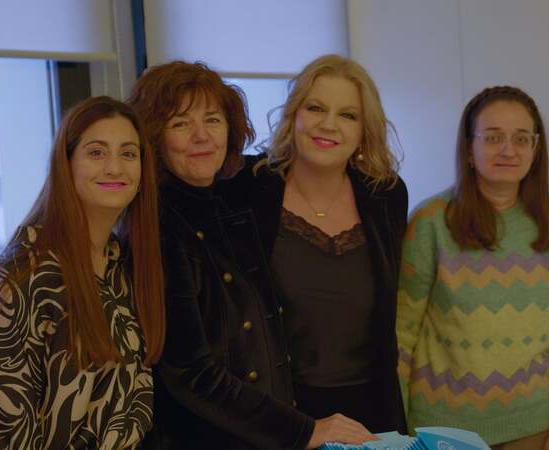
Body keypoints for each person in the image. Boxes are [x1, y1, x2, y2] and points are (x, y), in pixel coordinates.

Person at [129, 61, 376, 450]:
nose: (201, 136)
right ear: (153, 136)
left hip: (264, 435)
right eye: (180, 123)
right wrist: (303, 430)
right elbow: (191, 372)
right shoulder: (155, 227)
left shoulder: (232, 206)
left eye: (212, 120)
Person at [397, 86, 549, 449]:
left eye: (521, 139)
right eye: (493, 137)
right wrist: (397, 430)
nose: (508, 150)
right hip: (442, 433)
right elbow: (400, 336)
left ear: (535, 150)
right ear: (469, 149)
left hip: (534, 429)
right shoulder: (430, 222)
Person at [0, 96, 165, 449]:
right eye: (96, 153)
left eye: (129, 154)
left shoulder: (118, 265)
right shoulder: (25, 276)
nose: (115, 168)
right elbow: (7, 433)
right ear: (65, 165)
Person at [240, 54, 408, 435]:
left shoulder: (387, 196)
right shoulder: (250, 189)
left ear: (364, 130)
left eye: (347, 115)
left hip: (372, 415)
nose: (328, 124)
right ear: (294, 115)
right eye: (315, 108)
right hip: (278, 414)